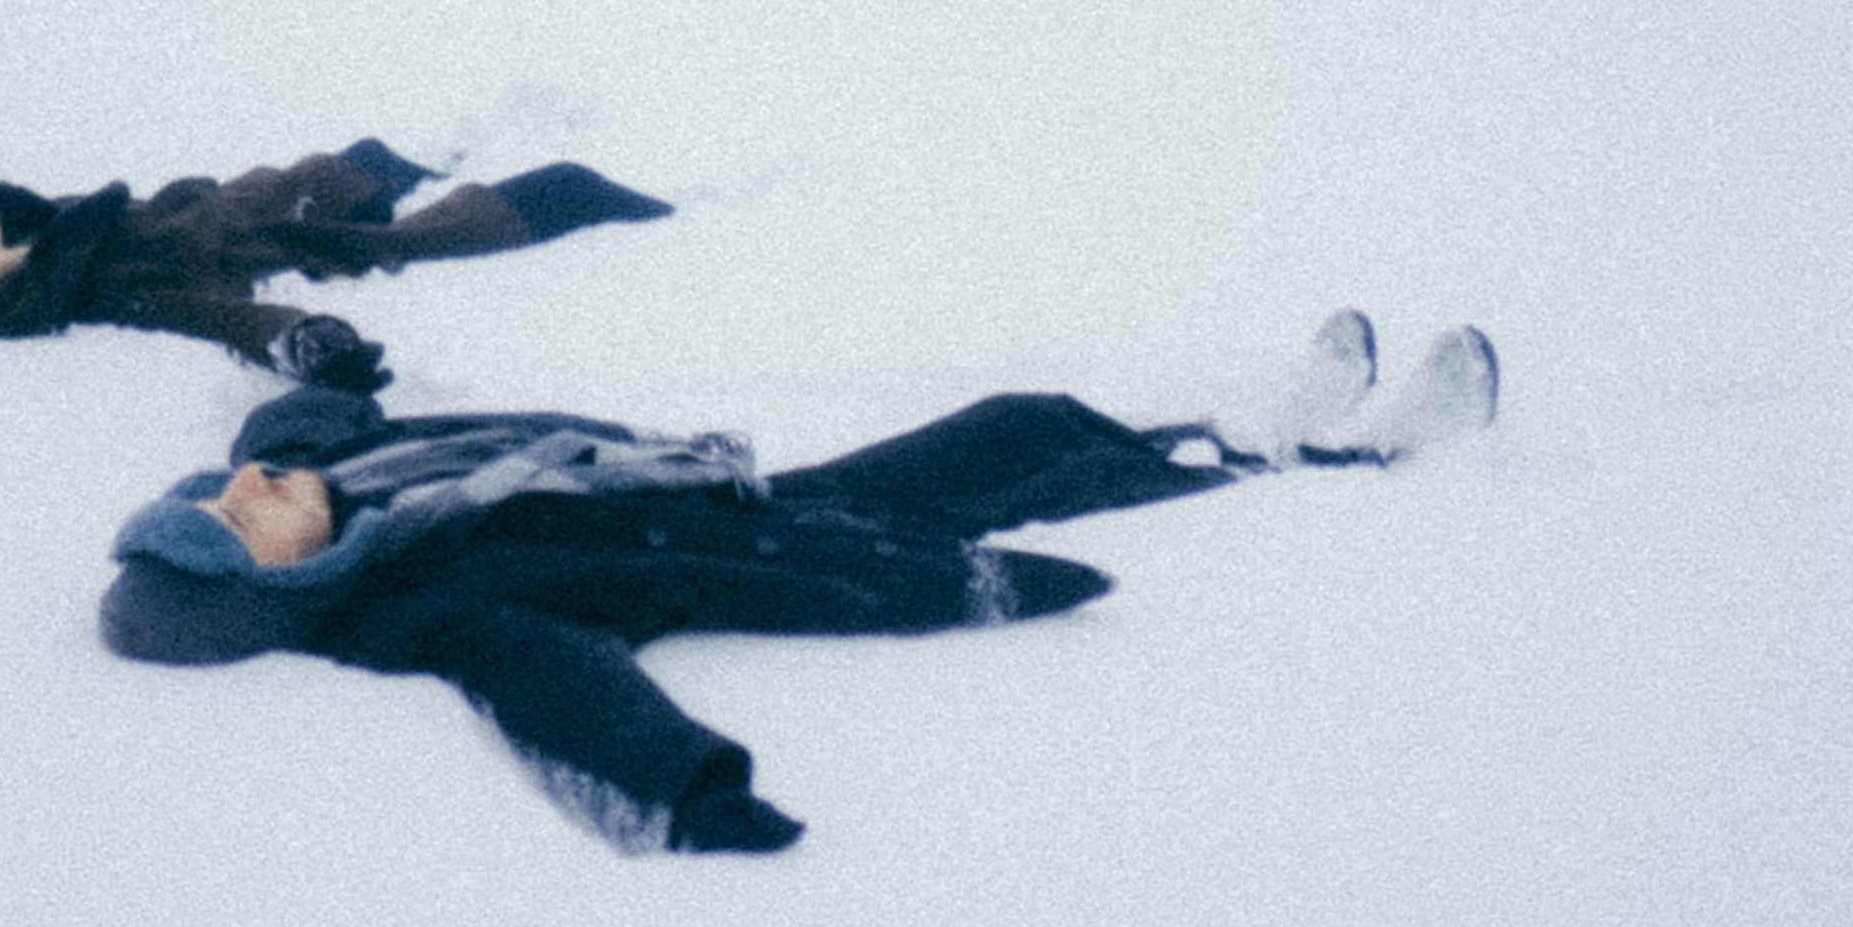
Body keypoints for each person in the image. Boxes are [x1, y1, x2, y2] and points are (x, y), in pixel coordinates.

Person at [99, 317, 1498, 851]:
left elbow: (298, 427)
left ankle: (1225, 433)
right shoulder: (418, 603)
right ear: (279, 591)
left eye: (216, 491)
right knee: (1009, 451)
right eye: (238, 520)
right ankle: (1313, 467)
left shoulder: (360, 485)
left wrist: (306, 359)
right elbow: (549, 681)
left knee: (1017, 419)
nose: (242, 490)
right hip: (775, 537)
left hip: (732, 487)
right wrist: (686, 790)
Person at [0, 141, 672, 389]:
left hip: (227, 196)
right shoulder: (100, 288)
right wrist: (302, 342)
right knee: (408, 229)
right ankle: (583, 198)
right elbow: (209, 318)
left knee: (345, 172)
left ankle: (378, 166)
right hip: (268, 234)